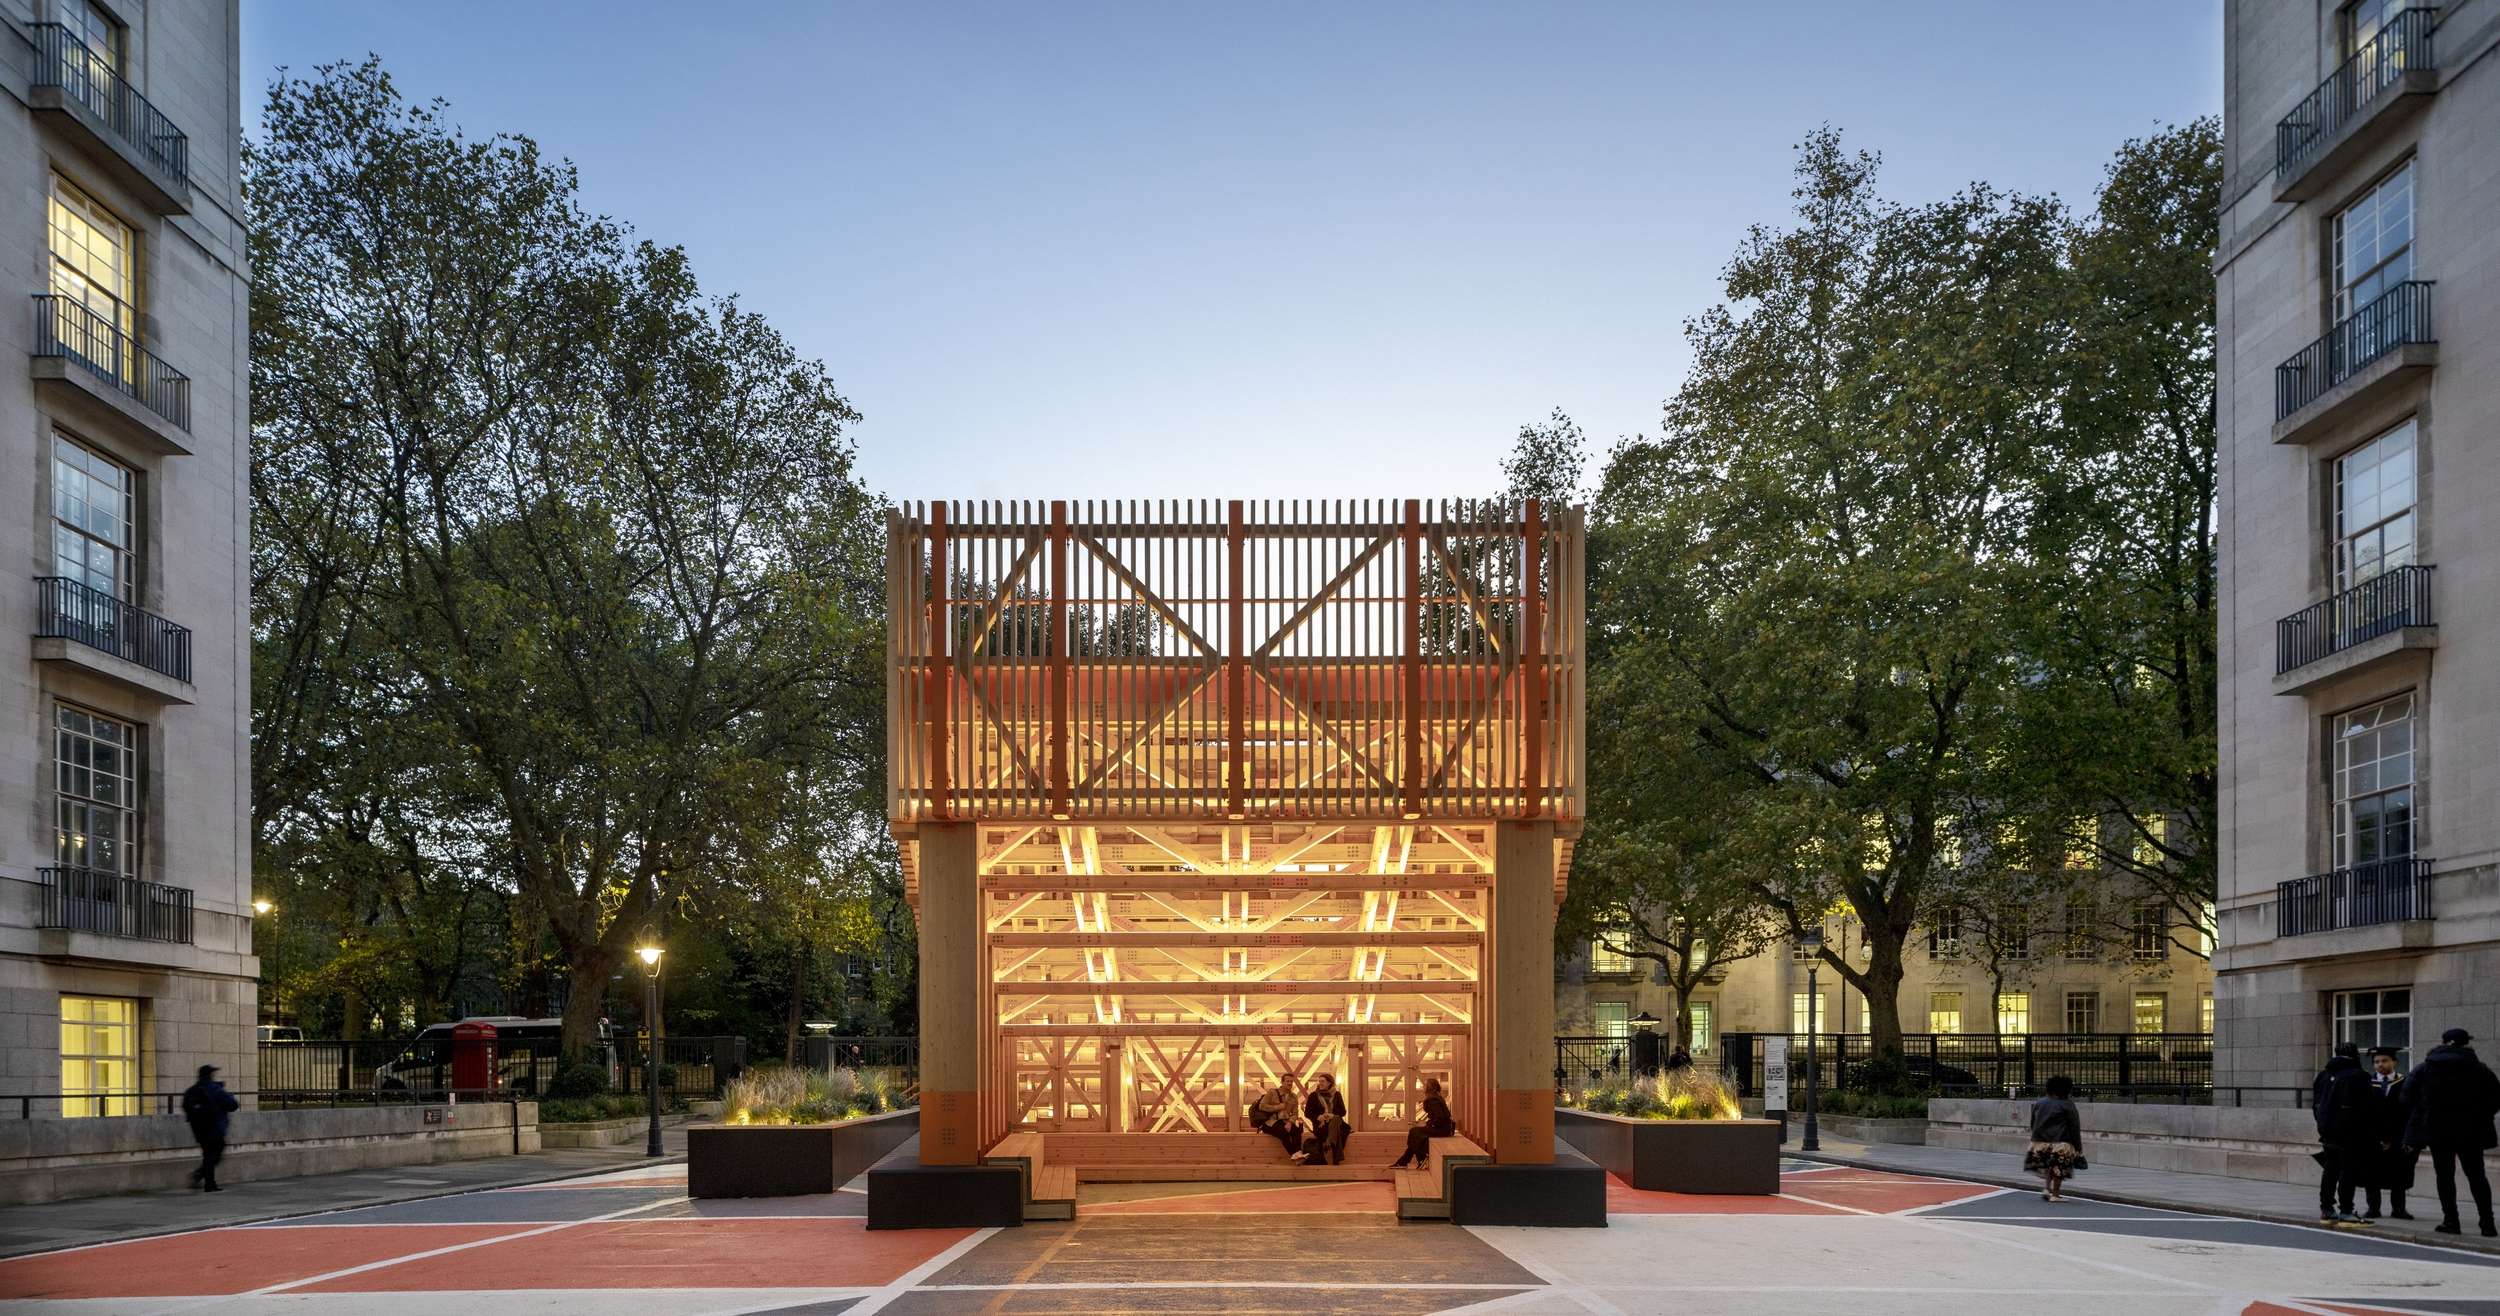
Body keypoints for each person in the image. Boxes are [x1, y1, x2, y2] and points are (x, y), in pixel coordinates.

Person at [2406, 1027, 2500, 1237]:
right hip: (2471, 1131)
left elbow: (2407, 1096)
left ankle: (2451, 1221)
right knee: (2477, 1176)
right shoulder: (2480, 1069)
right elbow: (2496, 1098)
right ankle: (2487, 1224)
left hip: (2437, 1130)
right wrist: (2481, 1115)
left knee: (2444, 1177)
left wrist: (2426, 1115)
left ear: (2443, 1042)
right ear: (2466, 1044)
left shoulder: (2425, 1068)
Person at [2313, 1041, 2371, 1224]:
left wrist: (2322, 1123)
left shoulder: (2323, 1075)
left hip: (2326, 1130)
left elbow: (2316, 1104)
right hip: (2350, 1132)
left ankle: (2326, 1208)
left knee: (2330, 1169)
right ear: (2356, 1055)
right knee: (2348, 1170)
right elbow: (2366, 1108)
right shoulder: (2359, 1076)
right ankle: (2346, 1209)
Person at [2363, 1046, 2416, 1220]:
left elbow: (2410, 1112)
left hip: (2398, 1136)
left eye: (2384, 1061)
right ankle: (2373, 1208)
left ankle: (2399, 1209)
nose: (2380, 1065)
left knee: (2399, 1173)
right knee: (2372, 1174)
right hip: (2373, 1137)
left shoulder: (2405, 1082)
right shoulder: (2367, 1084)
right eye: (2376, 1062)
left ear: (2394, 1062)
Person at [2022, 1074, 2086, 1203]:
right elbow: (2074, 1127)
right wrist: (2078, 1147)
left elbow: (2033, 1122)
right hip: (2061, 1141)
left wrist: (2036, 1136)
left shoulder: (2040, 1102)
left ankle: (2046, 1189)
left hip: (2040, 1141)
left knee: (2048, 1167)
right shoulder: (2067, 1104)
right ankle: (2055, 1194)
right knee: (2058, 1169)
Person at [180, 1064, 239, 1192]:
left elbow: (185, 1106)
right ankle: (206, 1181)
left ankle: (206, 1180)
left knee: (208, 1154)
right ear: (210, 1075)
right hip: (214, 1126)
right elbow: (233, 1105)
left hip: (198, 1128)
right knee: (214, 1153)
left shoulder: (191, 1091)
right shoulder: (215, 1089)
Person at [1390, 1077, 1455, 1169]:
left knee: (1414, 1132)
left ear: (1429, 1087)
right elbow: (1445, 1115)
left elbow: (1440, 1117)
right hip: (1446, 1128)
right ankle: (1409, 1161)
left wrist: (1431, 1124)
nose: (1422, 1086)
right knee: (1415, 1134)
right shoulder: (1438, 1097)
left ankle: (1415, 1159)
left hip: (1441, 1129)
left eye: (1424, 1085)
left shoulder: (1432, 1099)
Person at [1248, 1074, 1303, 1160]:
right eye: (1287, 1081)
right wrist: (1278, 1107)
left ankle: (1298, 1154)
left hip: (1284, 1121)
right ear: (1282, 1082)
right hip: (1270, 1122)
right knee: (1284, 1132)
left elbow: (1295, 1113)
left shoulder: (1293, 1097)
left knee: (1297, 1131)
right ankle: (1295, 1154)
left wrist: (1290, 1122)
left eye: (1291, 1081)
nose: (1289, 1083)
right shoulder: (1272, 1092)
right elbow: (1262, 1106)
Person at [1303, 1071, 1351, 1166]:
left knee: (1336, 1124)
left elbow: (1343, 1112)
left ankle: (1329, 1146)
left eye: (1322, 1081)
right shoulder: (1313, 1096)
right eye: (1319, 1081)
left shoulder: (1337, 1095)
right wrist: (1318, 1117)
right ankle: (1336, 1158)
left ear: (1329, 1083)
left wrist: (1332, 1115)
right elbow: (1307, 1113)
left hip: (1336, 1123)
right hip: (1321, 1125)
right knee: (1337, 1132)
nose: (1320, 1083)